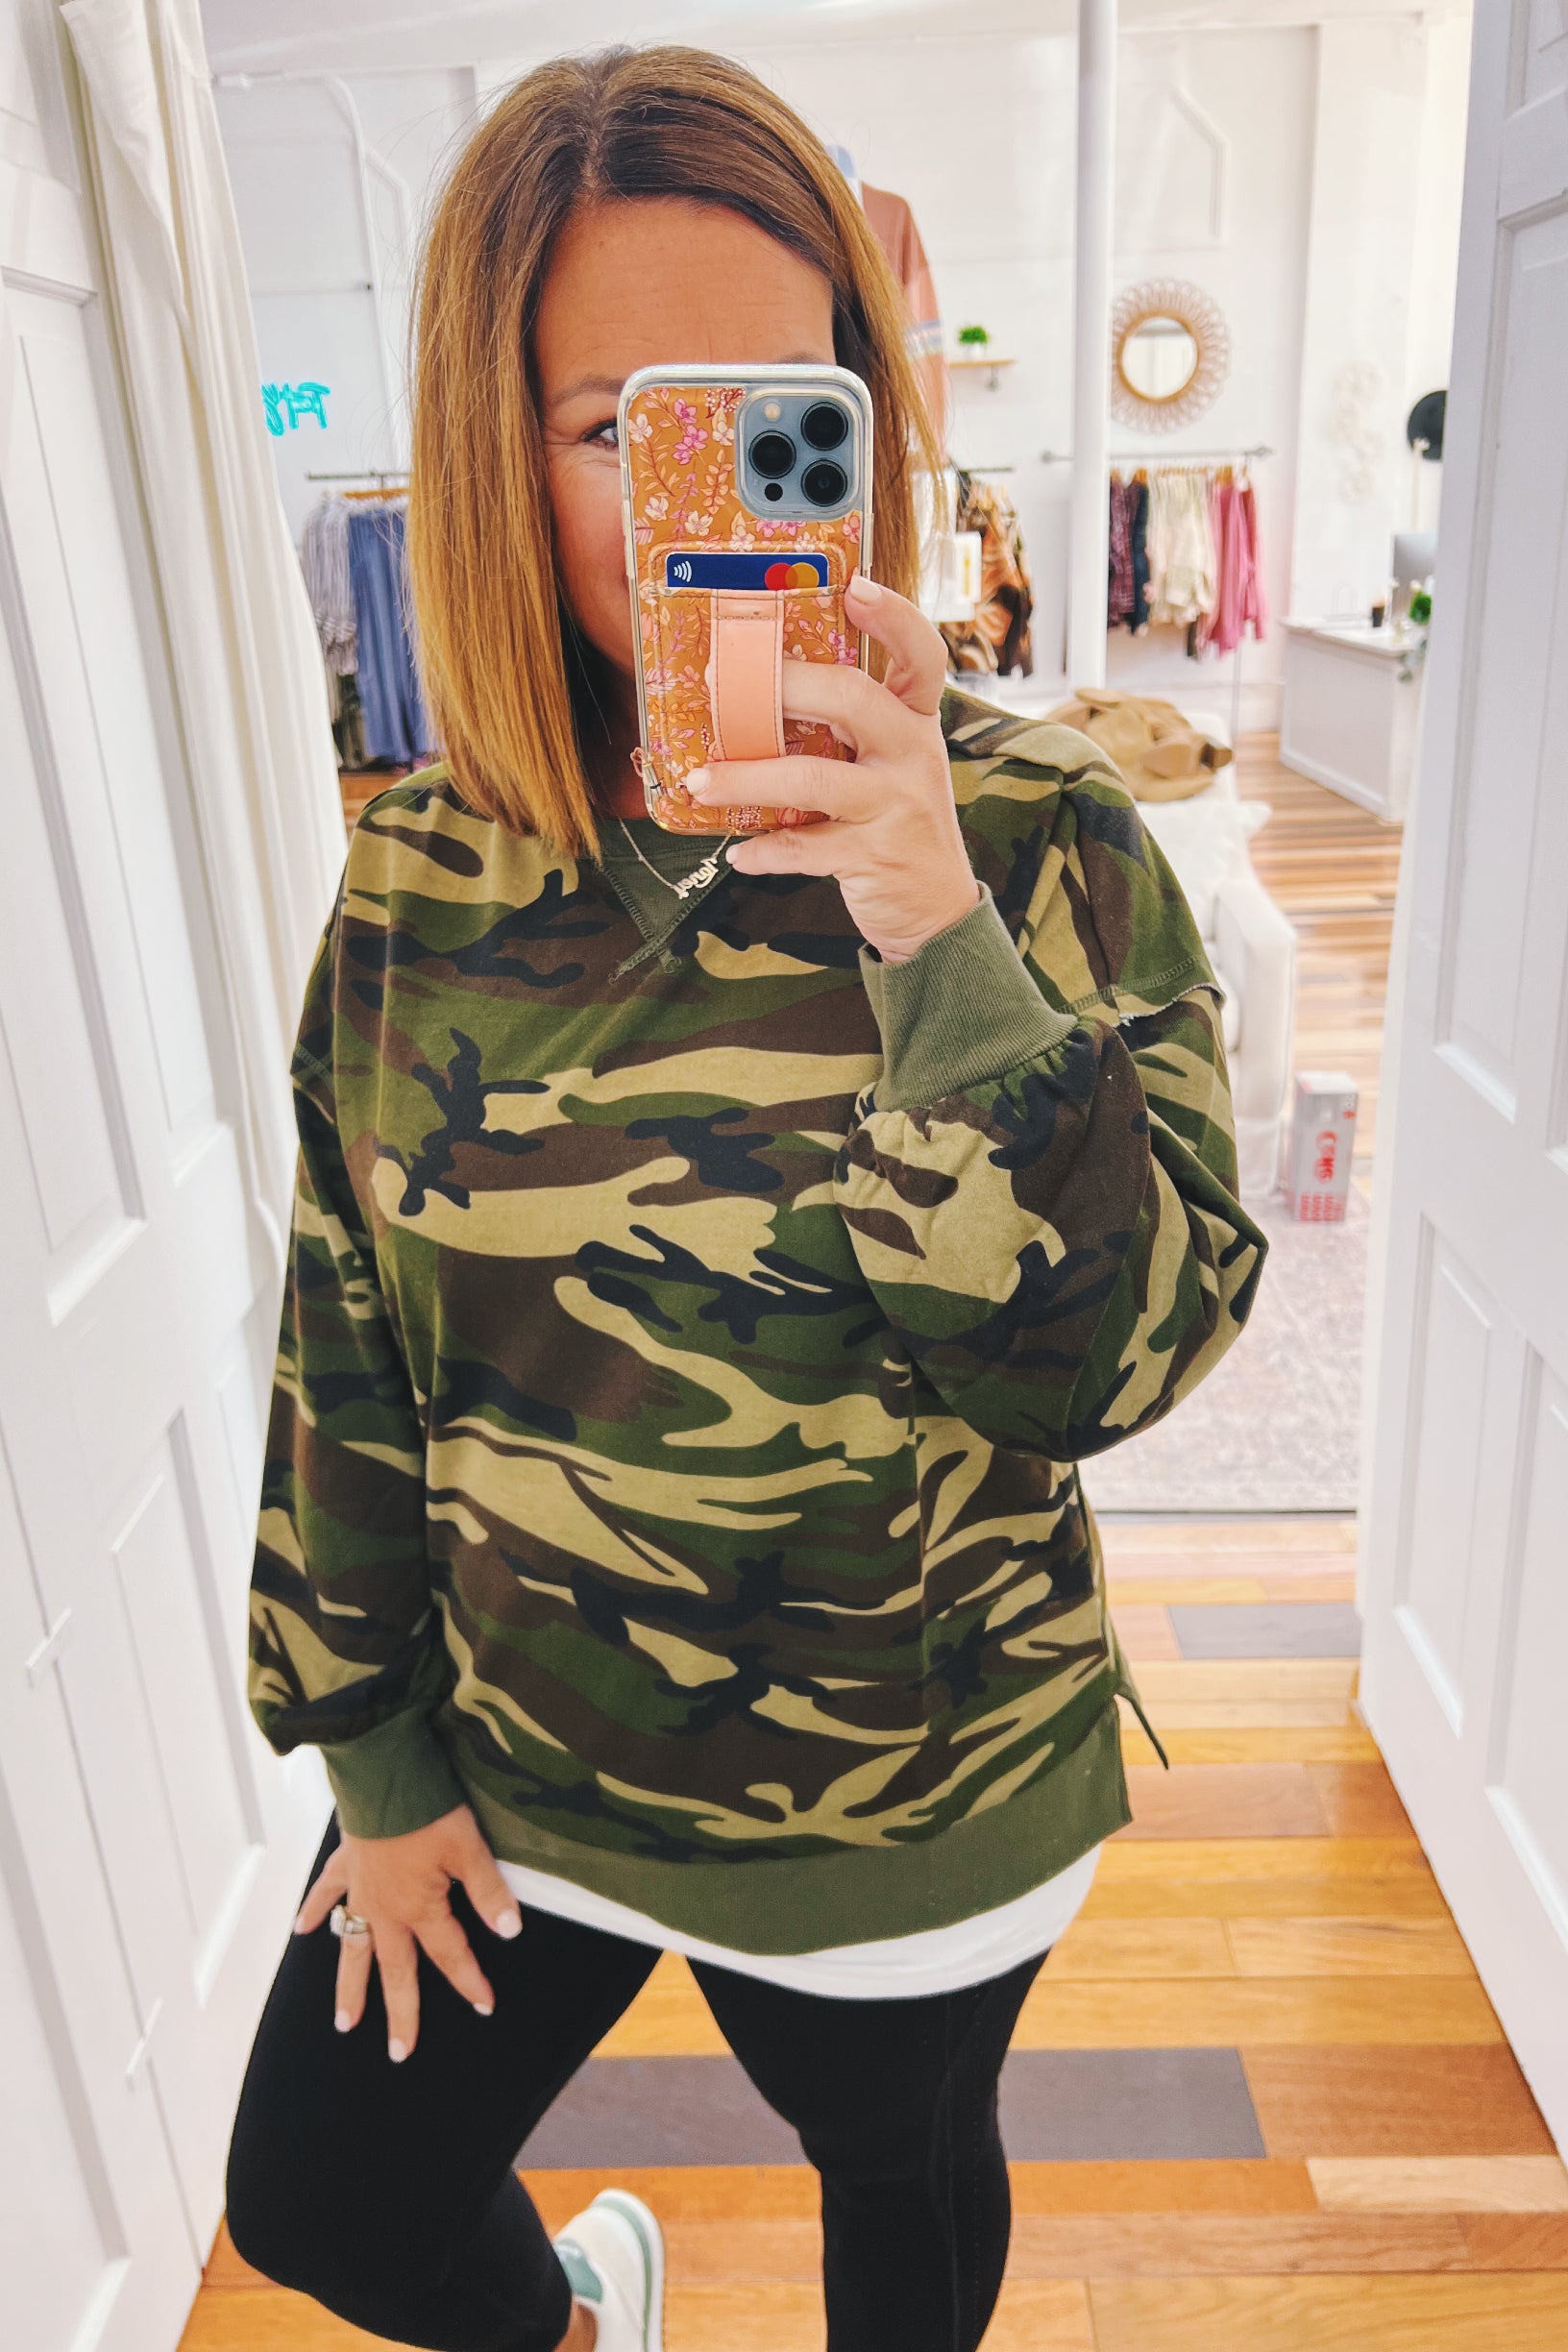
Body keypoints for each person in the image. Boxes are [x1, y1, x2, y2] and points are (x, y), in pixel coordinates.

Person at [224, 43, 1266, 2352]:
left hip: (912, 1792)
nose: (710, 501)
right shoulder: (419, 870)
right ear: (495, 453)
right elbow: (346, 1339)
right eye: (622, 428)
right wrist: (369, 1753)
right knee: (323, 2201)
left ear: (863, 421)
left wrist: (936, 935)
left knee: (902, 2204)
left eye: (781, 412)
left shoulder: (1038, 836)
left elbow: (1110, 1371)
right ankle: (587, 2314)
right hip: (514, 1767)